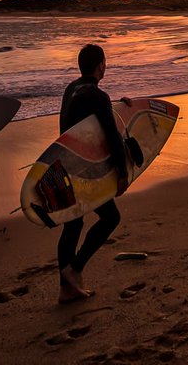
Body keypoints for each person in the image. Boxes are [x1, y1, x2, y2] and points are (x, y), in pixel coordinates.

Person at [57, 44, 131, 304]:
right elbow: (111, 135)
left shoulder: (71, 89)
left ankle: (67, 289)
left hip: (65, 165)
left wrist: (121, 107)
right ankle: (74, 269)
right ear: (101, 65)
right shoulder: (97, 96)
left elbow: (82, 121)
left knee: (73, 223)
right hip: (86, 171)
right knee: (110, 217)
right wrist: (122, 173)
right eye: (105, 62)